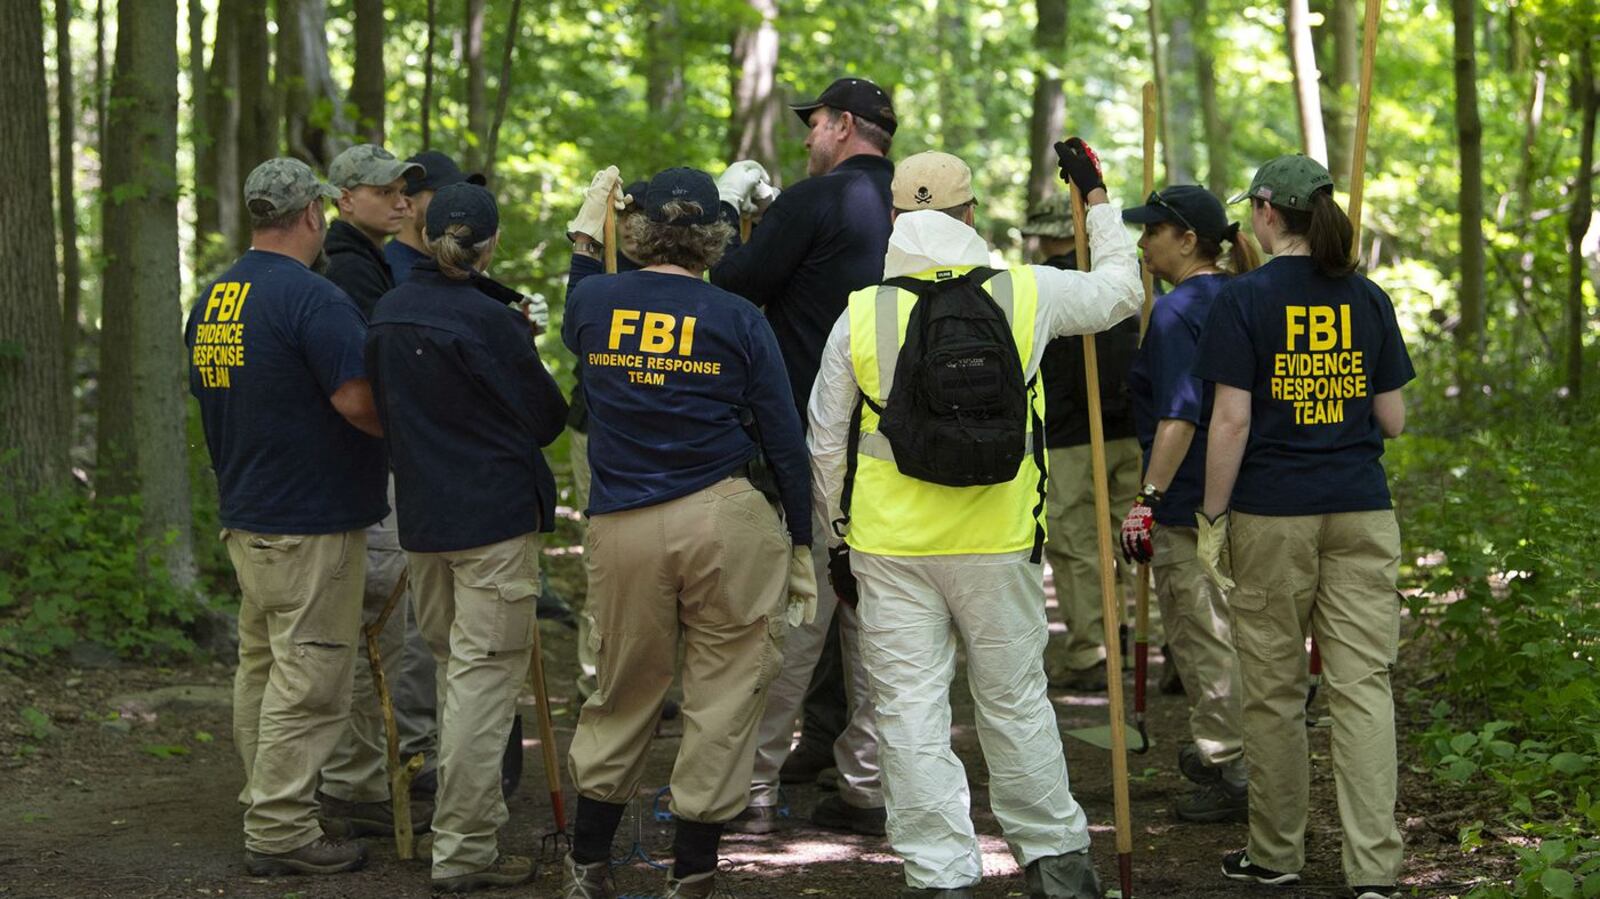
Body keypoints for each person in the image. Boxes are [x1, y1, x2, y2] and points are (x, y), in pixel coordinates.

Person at [810, 145, 1141, 898]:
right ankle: (1057, 858)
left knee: (911, 713)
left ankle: (941, 875)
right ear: (970, 218)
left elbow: (824, 442)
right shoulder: (1027, 293)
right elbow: (1122, 292)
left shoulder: (861, 313)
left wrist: (837, 539)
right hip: (998, 541)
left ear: (894, 219)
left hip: (891, 549)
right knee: (1015, 697)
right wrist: (1096, 199)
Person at [559, 167, 816, 899]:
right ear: (714, 237)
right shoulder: (738, 316)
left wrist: (586, 235)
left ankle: (587, 867)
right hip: (723, 515)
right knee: (727, 692)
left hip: (624, 524)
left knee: (621, 687)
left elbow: (578, 291)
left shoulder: (594, 300)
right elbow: (784, 440)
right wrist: (800, 540)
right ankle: (693, 874)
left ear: (635, 230)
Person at [1191, 154, 1412, 899]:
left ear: (1265, 212)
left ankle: (1276, 852)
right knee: (1362, 689)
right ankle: (1374, 869)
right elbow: (1395, 418)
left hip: (1272, 512)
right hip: (1361, 507)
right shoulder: (1369, 297)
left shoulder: (1243, 299)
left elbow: (1230, 419)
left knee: (1276, 691)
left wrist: (1212, 516)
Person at [185, 157, 387, 876]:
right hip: (311, 520)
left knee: (264, 668)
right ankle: (279, 829)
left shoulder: (215, 298)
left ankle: (269, 797)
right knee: (311, 676)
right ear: (312, 215)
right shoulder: (314, 298)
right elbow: (358, 402)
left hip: (248, 515)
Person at [364, 182, 569, 891]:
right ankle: (462, 851)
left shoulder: (389, 311)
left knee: (462, 676)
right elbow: (548, 417)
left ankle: (460, 838)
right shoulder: (489, 321)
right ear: (491, 244)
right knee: (480, 687)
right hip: (488, 524)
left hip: (426, 523)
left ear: (423, 236)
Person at [713, 76, 895, 835]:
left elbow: (730, 281)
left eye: (814, 124)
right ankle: (867, 784)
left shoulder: (814, 202)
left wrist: (729, 210)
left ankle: (750, 788)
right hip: (904, 456)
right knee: (882, 628)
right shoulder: (918, 206)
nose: (807, 138)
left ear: (844, 125)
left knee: (794, 623)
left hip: (815, 449)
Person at [1117, 185, 1259, 823]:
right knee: (1241, 630)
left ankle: (1231, 766)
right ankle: (1237, 753)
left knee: (1203, 633)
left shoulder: (1178, 314)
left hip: (1192, 500)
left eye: (1152, 232)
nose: (1142, 244)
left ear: (1188, 240)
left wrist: (1147, 499)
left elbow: (1180, 417)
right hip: (1255, 494)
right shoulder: (1245, 295)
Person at [314, 142, 429, 839]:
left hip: (370, 468)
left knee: (369, 628)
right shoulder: (349, 270)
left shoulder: (373, 263)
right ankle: (353, 785)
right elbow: (370, 382)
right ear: (343, 198)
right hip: (363, 468)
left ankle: (352, 778)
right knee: (370, 630)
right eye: (384, 190)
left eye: (404, 190)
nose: (401, 201)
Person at [1021, 197, 1151, 693]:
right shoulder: (1115, 277)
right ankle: (1150, 639)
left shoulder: (1046, 285)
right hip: (1130, 429)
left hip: (1073, 434)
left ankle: (1092, 650)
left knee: (1077, 545)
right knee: (1132, 538)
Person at [386, 150, 486, 284]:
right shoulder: (391, 274)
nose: (458, 204)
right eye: (445, 196)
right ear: (408, 206)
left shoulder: (448, 268)